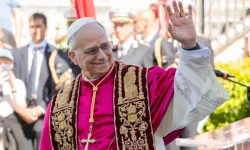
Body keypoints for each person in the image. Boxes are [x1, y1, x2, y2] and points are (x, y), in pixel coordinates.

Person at [40, 1, 229, 149]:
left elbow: (186, 90)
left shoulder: (142, 82)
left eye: (106, 46)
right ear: (73, 56)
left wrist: (189, 46)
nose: (102, 56)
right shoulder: (60, 105)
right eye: (91, 50)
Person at [12, 13, 56, 150]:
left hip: (44, 113)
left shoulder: (55, 54)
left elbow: (58, 87)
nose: (35, 30)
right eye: (32, 26)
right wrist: (22, 110)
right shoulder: (17, 54)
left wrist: (41, 108)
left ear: (46, 28)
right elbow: (12, 82)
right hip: (20, 111)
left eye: (39, 26)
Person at [0, 48, 33, 150]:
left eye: (6, 63)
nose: (2, 66)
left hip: (13, 125)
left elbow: (22, 108)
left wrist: (13, 86)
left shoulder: (18, 83)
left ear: (12, 65)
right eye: (0, 63)